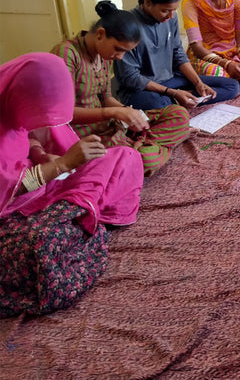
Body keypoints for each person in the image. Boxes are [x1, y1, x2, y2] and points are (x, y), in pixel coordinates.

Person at [0, 53, 143, 315]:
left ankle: (79, 211)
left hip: (48, 187)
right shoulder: (69, 55)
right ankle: (81, 212)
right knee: (40, 243)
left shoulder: (10, 103)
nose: (119, 54)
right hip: (14, 212)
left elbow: (26, 134)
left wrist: (41, 155)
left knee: (126, 156)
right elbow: (8, 189)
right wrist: (62, 165)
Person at [51, 0, 190, 177]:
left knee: (179, 114)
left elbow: (106, 96)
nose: (120, 57)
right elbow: (62, 115)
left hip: (112, 125)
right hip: (88, 135)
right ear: (100, 34)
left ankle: (140, 144)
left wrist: (127, 112)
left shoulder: (103, 55)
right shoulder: (67, 54)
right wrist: (113, 113)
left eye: (125, 52)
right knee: (147, 159)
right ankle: (149, 146)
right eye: (119, 50)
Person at [114, 0, 240, 110]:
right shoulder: (127, 25)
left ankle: (181, 99)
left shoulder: (170, 18)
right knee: (156, 102)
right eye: (165, 10)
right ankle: (177, 99)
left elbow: (178, 54)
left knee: (232, 86)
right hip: (142, 89)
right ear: (148, 2)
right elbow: (131, 78)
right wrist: (172, 92)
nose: (171, 16)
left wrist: (198, 83)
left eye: (174, 10)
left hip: (172, 80)